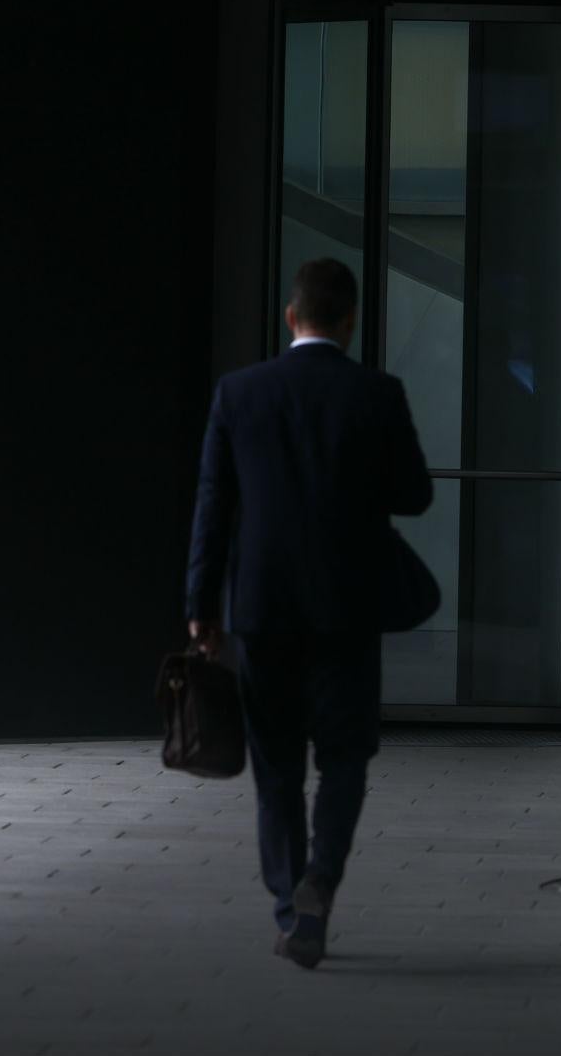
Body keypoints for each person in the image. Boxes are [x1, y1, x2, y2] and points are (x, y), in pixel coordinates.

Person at [184, 256, 433, 969]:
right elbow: (415, 495)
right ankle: (323, 875)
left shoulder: (239, 394)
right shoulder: (378, 393)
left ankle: (293, 906)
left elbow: (213, 508)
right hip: (348, 606)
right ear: (349, 322)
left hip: (262, 608)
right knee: (346, 755)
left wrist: (200, 605)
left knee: (278, 764)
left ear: (291, 317)